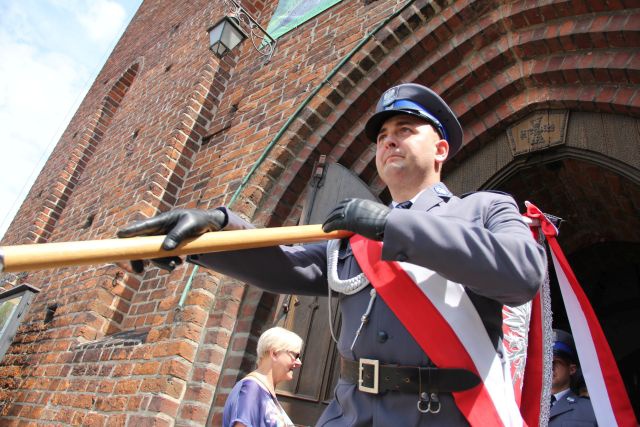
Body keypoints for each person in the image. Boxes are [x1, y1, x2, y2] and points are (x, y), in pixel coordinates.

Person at [118, 83, 547, 425]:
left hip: (442, 414)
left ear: (440, 149)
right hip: (350, 412)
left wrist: (392, 226)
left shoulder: (484, 208)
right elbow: (286, 263)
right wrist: (215, 229)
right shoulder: (353, 234)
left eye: (405, 130)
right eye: (381, 136)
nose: (388, 142)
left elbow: (522, 273)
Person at [223, 326, 302, 427]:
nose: (299, 362)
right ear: (274, 353)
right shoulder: (251, 389)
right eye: (296, 356)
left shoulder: (260, 390)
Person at [549, 329, 597, 426]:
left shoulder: (591, 410)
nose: (549, 367)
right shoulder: (523, 407)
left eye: (556, 362)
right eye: (545, 362)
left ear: (572, 369)